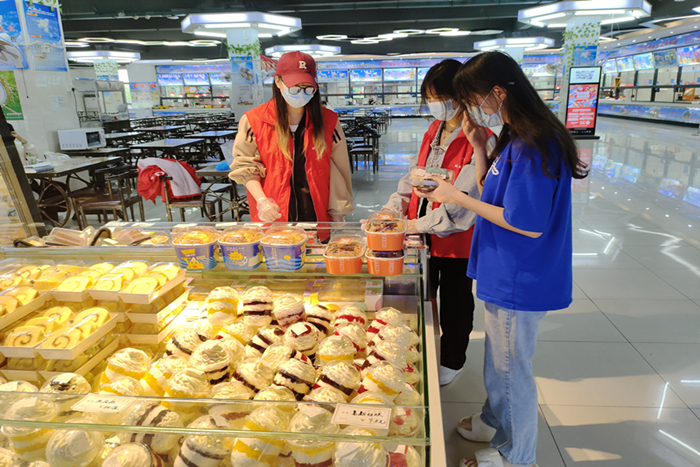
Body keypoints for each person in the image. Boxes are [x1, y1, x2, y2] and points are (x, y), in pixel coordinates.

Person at [415, 52, 587, 467]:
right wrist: (478, 149)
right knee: (498, 360)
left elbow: (526, 223)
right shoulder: (514, 135)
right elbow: (493, 190)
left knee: (511, 370)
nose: (471, 108)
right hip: (503, 269)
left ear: (497, 92)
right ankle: (493, 420)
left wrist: (455, 197)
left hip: (519, 275)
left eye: (473, 99)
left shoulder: (535, 143)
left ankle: (517, 456)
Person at [383, 59, 495, 386]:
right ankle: (420, 348)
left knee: (455, 302)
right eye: (430, 98)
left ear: (461, 96)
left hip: (456, 240)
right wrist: (393, 209)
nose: (436, 105)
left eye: (442, 98)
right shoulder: (435, 130)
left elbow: (464, 205)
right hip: (424, 235)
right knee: (422, 294)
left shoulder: (480, 138)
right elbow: (415, 175)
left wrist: (413, 226)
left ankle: (452, 358)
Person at [229, 51, 353, 224]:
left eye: (307, 88)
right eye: (294, 88)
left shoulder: (329, 121)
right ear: (278, 82)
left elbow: (339, 168)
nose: (301, 94)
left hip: (318, 212)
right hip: (274, 213)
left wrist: (337, 210)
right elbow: (244, 166)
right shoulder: (254, 120)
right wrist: (262, 201)